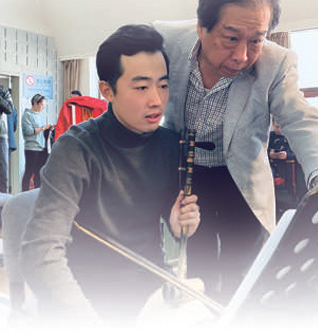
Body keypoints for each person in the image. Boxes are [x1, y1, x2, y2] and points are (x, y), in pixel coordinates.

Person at [153, 0, 318, 302]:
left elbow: (302, 120)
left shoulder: (275, 63)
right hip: (187, 176)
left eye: (256, 40)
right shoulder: (164, 41)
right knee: (193, 272)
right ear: (202, 26)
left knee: (243, 276)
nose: (242, 56)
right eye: (230, 39)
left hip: (241, 179)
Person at [20, 24, 200, 324]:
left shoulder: (171, 144)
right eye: (141, 88)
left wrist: (178, 225)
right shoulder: (76, 148)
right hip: (87, 299)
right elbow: (40, 252)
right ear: (107, 90)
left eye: (163, 85)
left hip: (150, 299)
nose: (156, 99)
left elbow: (173, 226)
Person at [21, 94, 54, 191]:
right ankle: (24, 192)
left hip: (41, 147)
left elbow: (41, 131)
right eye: (41, 105)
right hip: (31, 148)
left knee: (38, 172)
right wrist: (43, 128)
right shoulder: (27, 115)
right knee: (29, 172)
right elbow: (28, 131)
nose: (43, 107)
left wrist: (48, 128)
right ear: (35, 103)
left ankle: (37, 192)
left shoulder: (39, 116)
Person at [268, 119, 296, 186]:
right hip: (270, 165)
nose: (279, 129)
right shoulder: (270, 136)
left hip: (285, 167)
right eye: (277, 127)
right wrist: (270, 154)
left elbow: (296, 153)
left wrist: (287, 155)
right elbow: (263, 150)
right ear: (273, 125)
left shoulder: (290, 136)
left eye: (281, 127)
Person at [0, 85, 13, 193]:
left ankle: (3, 197)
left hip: (1, 135)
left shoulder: (3, 92)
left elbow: (9, 109)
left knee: (3, 169)